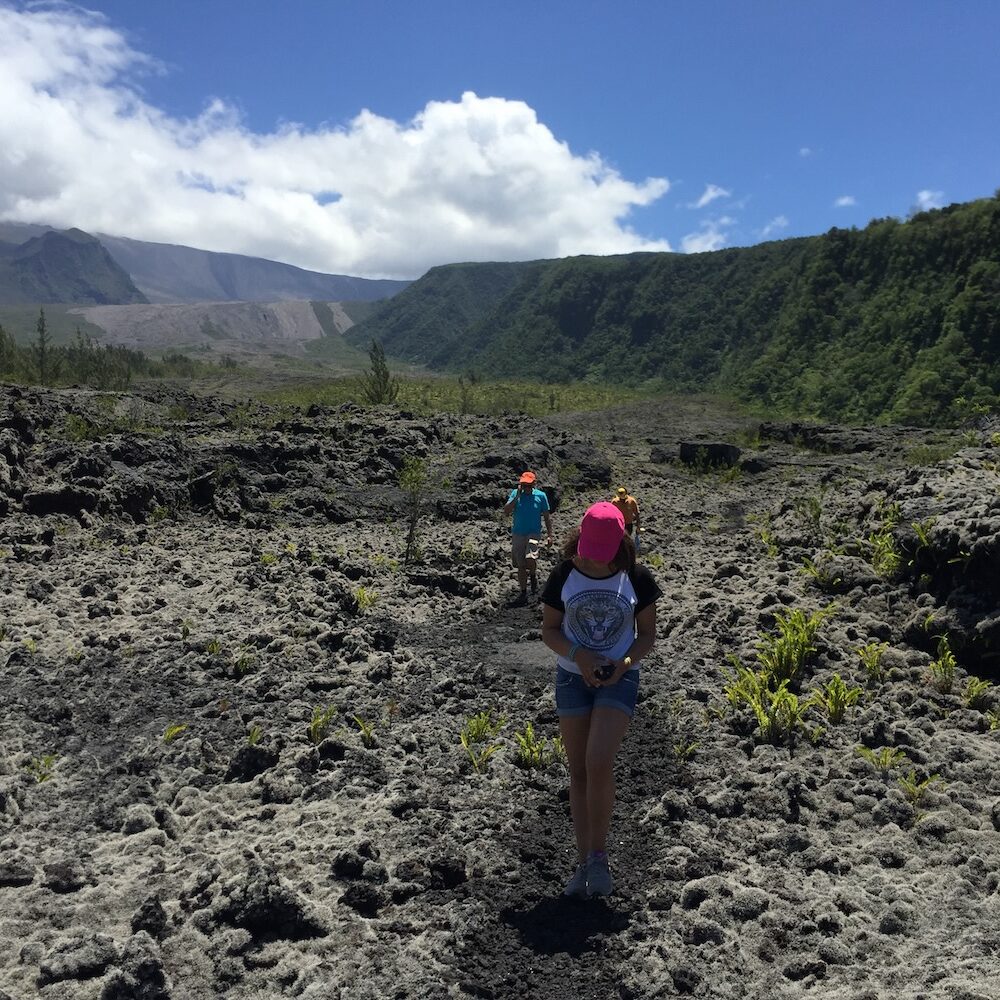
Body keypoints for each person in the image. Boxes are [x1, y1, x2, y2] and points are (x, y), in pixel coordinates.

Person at [540, 501, 662, 898]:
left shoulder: (636, 579)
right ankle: (582, 862)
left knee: (598, 760)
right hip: (572, 678)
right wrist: (581, 657)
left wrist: (622, 664)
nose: (591, 561)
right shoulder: (563, 575)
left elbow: (646, 635)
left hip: (618, 681)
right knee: (578, 770)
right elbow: (550, 630)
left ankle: (599, 855)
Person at [503, 471, 554, 605]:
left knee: (530, 557)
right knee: (520, 565)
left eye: (529, 485)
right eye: (524, 485)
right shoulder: (515, 494)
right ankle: (524, 592)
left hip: (534, 533)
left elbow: (547, 517)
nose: (526, 488)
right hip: (518, 533)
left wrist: (550, 535)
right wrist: (517, 497)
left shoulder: (541, 496)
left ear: (534, 484)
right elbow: (506, 511)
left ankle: (532, 574)